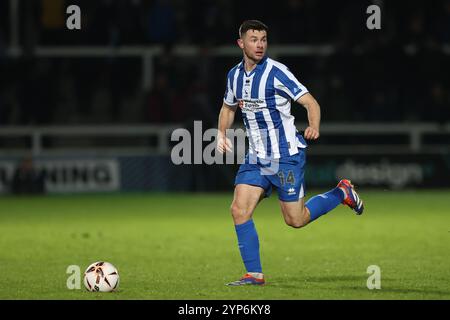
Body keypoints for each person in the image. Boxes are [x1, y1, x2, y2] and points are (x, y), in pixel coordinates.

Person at [216, 20, 364, 286]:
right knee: (239, 210)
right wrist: (221, 133)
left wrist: (314, 125)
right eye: (253, 39)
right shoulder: (234, 76)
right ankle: (254, 274)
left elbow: (310, 102)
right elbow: (228, 108)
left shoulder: (277, 72)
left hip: (285, 156)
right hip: (256, 157)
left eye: (263, 39)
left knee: (295, 220)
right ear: (241, 43)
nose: (259, 44)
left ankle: (342, 192)